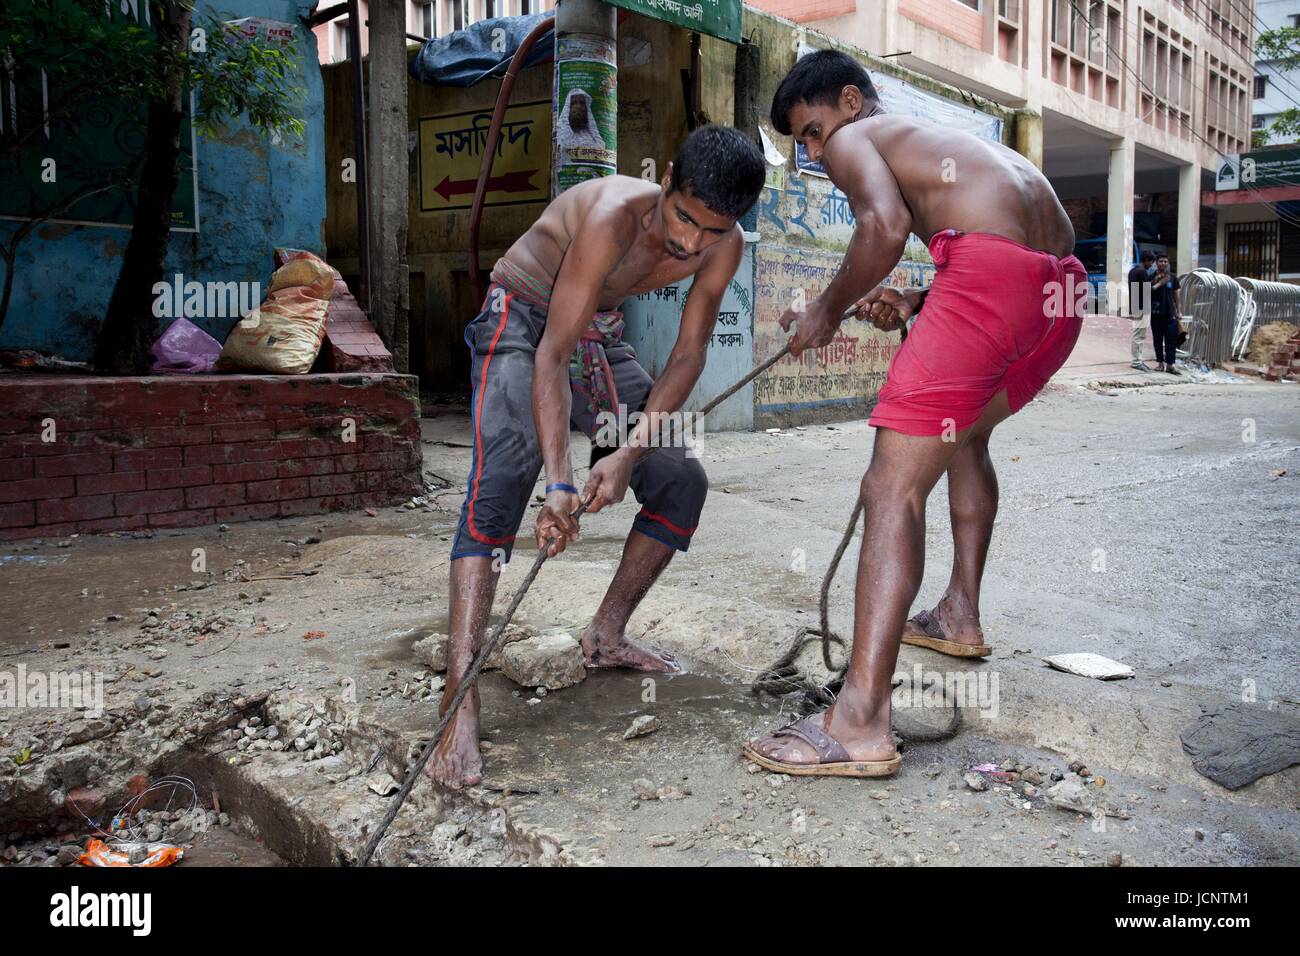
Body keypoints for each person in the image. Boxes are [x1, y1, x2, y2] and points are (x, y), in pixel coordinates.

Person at [745, 50, 1083, 778]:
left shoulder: (859, 138)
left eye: (811, 131)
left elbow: (883, 227)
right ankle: (959, 612)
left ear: (850, 101)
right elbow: (1017, 251)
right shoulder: (955, 146)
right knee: (962, 438)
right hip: (1061, 295)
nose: (815, 152)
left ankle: (860, 719)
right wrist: (922, 299)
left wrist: (825, 312)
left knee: (890, 487)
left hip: (993, 283)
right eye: (802, 143)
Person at [429, 125, 766, 788]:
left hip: (596, 333)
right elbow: (550, 355)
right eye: (684, 219)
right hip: (524, 317)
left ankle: (606, 634)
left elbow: (689, 356)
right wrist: (561, 482)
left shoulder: (719, 246)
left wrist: (630, 452)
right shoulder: (613, 217)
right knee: (506, 473)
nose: (691, 243)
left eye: (713, 230)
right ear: (666, 179)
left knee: (679, 478)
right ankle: (458, 693)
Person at [1149, 253, 1181, 375]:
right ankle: (1160, 364)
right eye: (1161, 261)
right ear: (1156, 263)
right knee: (1157, 340)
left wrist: (1179, 311)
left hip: (1170, 314)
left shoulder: (1173, 278)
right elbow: (1145, 293)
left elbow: (1176, 296)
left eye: (1165, 261)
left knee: (1171, 340)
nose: (1163, 263)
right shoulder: (1150, 277)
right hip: (1155, 313)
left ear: (1168, 263)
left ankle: (1170, 365)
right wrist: (1156, 282)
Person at [1128, 251, 1155, 371]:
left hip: (1135, 305)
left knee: (1137, 334)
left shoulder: (1133, 271)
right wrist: (1159, 283)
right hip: (1142, 306)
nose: (1152, 265)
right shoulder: (1142, 271)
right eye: (1151, 262)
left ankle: (1137, 360)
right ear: (1146, 260)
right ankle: (1136, 361)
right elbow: (1147, 289)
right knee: (1139, 335)